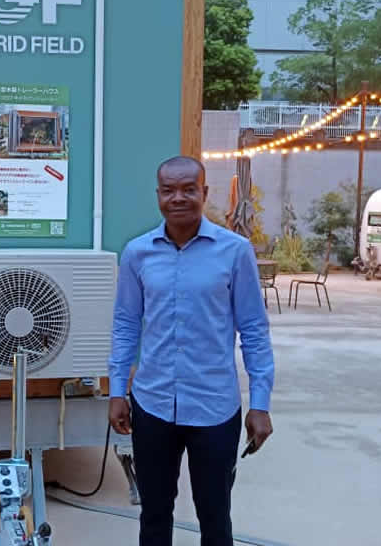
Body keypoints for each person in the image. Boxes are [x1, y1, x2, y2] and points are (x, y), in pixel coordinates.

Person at [108, 156, 274, 546]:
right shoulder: (137, 253)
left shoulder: (235, 252)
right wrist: (116, 390)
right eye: (169, 190)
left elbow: (253, 329)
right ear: (158, 195)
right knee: (154, 514)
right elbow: (126, 325)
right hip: (152, 405)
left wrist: (260, 403)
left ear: (205, 192)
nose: (178, 198)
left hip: (214, 407)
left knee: (215, 516)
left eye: (188, 189)